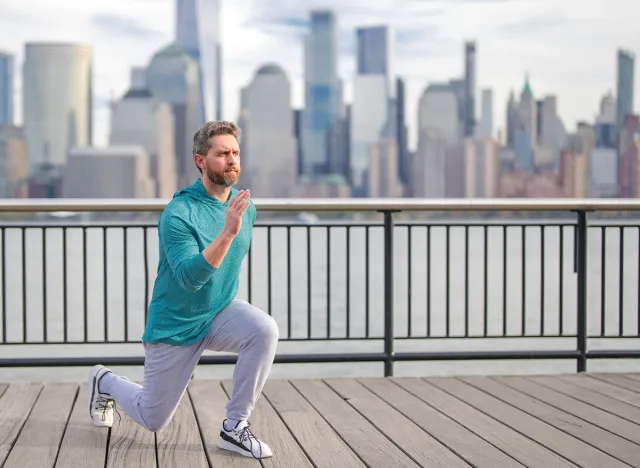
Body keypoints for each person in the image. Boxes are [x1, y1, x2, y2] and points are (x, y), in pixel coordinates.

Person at [87, 121, 278, 459]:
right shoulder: (179, 214)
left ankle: (235, 427)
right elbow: (191, 278)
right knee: (153, 419)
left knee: (263, 329)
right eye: (221, 154)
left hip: (218, 312)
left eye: (235, 152)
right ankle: (105, 381)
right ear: (200, 161)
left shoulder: (244, 207)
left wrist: (233, 226)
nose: (232, 160)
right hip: (175, 325)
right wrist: (227, 233)